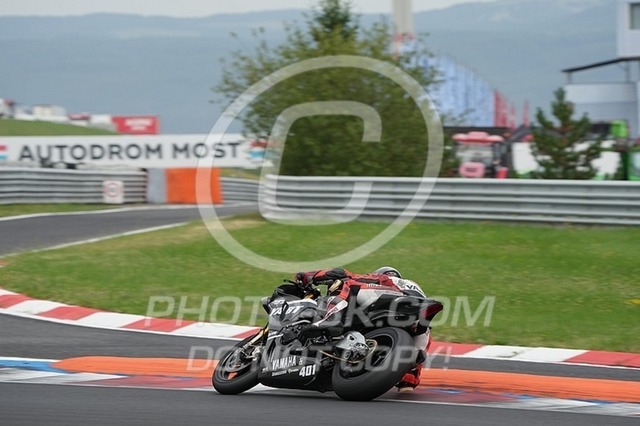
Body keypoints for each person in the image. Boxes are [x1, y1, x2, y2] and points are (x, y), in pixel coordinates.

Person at [294, 266, 431, 393]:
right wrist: (406, 377)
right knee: (414, 361)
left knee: (344, 282)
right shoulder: (413, 289)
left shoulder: (386, 279)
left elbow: (343, 274)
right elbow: (411, 378)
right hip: (418, 323)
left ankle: (331, 319)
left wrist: (307, 276)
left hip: (395, 302)